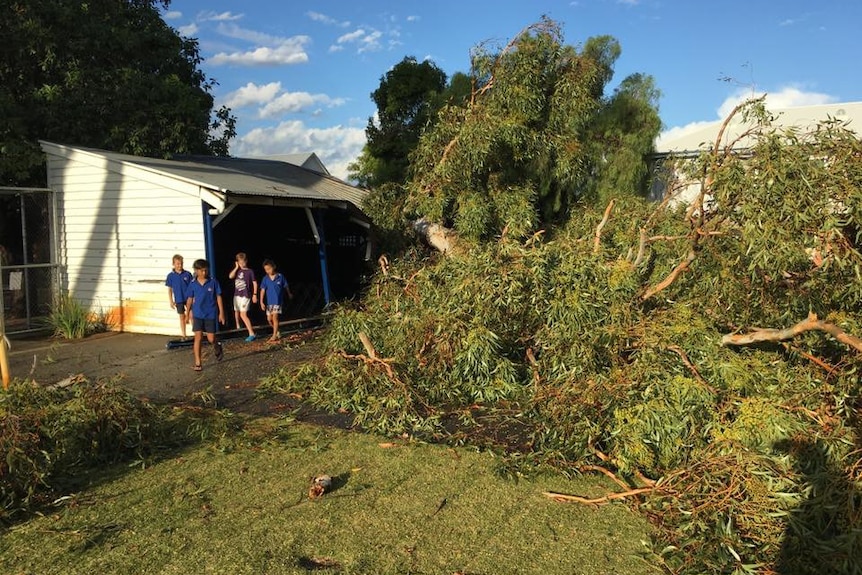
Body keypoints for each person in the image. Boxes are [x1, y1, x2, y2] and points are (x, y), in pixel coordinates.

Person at [186, 258, 225, 371]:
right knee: (198, 337)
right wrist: (187, 313)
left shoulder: (213, 282)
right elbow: (189, 298)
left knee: (211, 338)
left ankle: (217, 346)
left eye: (206, 270)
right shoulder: (193, 283)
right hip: (198, 314)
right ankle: (198, 363)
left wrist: (221, 313)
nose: (204, 273)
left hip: (210, 313)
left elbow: (218, 297)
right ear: (196, 271)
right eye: (202, 271)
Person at [259, 258, 292, 343]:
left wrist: (289, 293)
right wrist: (261, 301)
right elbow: (262, 290)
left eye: (269, 269)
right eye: (266, 270)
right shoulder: (265, 279)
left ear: (274, 267)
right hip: (269, 303)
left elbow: (286, 286)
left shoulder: (280, 277)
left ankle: (274, 336)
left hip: (277, 301)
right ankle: (276, 331)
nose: (268, 271)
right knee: (269, 319)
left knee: (275, 317)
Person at [229, 252, 258, 342]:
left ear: (246, 261)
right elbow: (230, 276)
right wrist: (236, 267)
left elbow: (254, 282)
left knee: (243, 314)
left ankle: (251, 333)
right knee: (236, 311)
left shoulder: (250, 271)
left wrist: (254, 294)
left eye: (243, 262)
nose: (242, 264)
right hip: (237, 295)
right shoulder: (238, 271)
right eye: (240, 263)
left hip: (246, 295)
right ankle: (238, 326)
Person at [165, 254, 193, 339]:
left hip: (188, 298)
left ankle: (196, 334)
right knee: (182, 316)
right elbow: (170, 289)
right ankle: (184, 335)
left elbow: (192, 287)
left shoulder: (187, 274)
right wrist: (171, 301)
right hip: (179, 299)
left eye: (181, 263)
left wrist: (193, 298)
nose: (179, 265)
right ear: (173, 264)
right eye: (177, 264)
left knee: (192, 315)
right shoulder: (171, 276)